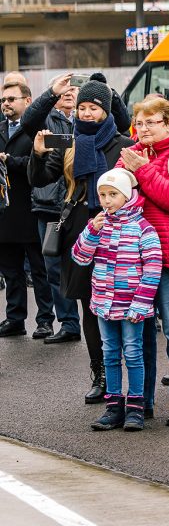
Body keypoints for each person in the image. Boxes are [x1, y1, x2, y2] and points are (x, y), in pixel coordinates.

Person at [29, 79, 135, 404]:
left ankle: (131, 378)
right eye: (82, 108)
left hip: (119, 234)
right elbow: (39, 178)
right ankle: (101, 374)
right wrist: (36, 154)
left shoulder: (124, 144)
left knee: (127, 307)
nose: (87, 114)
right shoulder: (69, 143)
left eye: (94, 108)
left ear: (105, 109)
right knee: (90, 306)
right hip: (80, 233)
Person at [117, 96, 169, 427]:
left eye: (151, 121)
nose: (144, 128)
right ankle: (142, 401)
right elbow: (114, 195)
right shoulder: (132, 154)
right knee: (139, 335)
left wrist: (143, 170)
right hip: (134, 257)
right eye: (139, 122)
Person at [71, 168, 162, 432]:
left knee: (133, 354)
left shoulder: (143, 228)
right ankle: (113, 407)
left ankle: (136, 407)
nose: (107, 200)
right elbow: (80, 257)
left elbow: (153, 268)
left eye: (113, 194)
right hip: (103, 303)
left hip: (132, 306)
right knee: (109, 353)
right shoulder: (99, 224)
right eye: (102, 195)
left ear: (127, 195)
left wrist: (142, 303)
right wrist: (90, 232)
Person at [23, 77, 80, 343]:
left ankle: (98, 317)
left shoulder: (85, 117)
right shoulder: (46, 118)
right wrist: (50, 92)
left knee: (89, 265)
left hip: (78, 205)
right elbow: (29, 122)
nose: (70, 93)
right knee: (54, 269)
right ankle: (68, 323)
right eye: (64, 90)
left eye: (74, 90)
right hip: (49, 207)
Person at [0, 79, 55, 339]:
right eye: (3, 100)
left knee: (39, 270)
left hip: (32, 208)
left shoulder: (38, 129)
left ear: (27, 101)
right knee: (11, 271)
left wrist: (11, 161)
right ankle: (15, 318)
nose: (6, 104)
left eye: (11, 99)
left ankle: (45, 320)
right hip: (5, 212)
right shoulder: (0, 129)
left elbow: (44, 163)